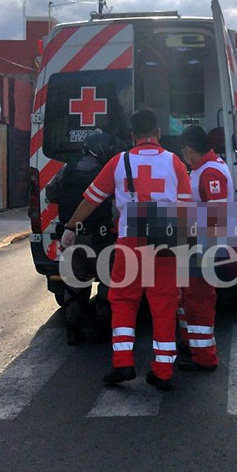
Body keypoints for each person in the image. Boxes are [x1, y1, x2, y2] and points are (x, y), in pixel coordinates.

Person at [60, 109, 193, 391]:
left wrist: (71, 228)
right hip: (166, 240)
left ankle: (122, 363)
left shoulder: (119, 162)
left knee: (123, 300)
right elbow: (186, 209)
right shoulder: (175, 163)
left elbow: (91, 199)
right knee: (164, 303)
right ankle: (163, 370)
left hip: (130, 239)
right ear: (157, 133)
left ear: (132, 135)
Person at [45, 130, 119, 345]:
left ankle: (73, 331)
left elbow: (52, 193)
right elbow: (116, 204)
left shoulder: (68, 168)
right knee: (106, 283)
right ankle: (102, 330)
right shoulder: (106, 171)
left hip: (72, 236)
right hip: (101, 238)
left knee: (74, 284)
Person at [175, 125, 235, 372]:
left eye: (183, 152)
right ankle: (192, 344)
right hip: (196, 245)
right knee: (188, 298)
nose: (183, 157)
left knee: (199, 301)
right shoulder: (203, 169)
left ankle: (205, 357)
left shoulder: (210, 172)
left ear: (189, 149)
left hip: (205, 247)